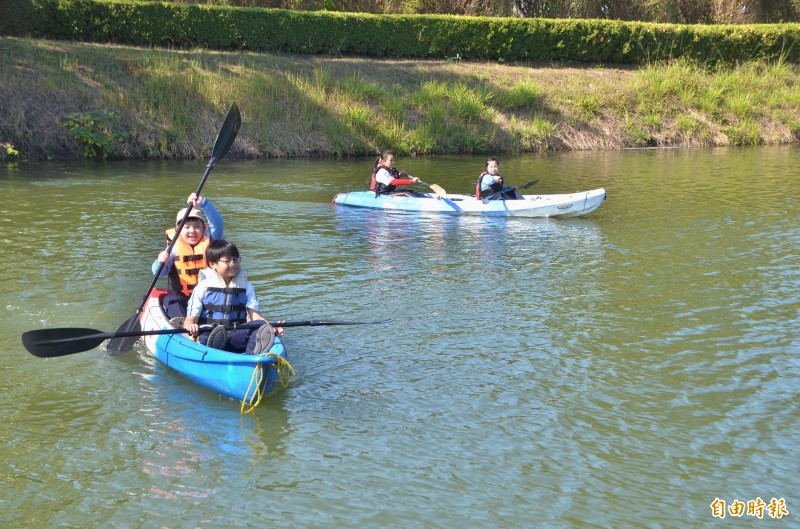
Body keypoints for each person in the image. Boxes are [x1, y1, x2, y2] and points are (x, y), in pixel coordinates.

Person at [184, 239, 284, 354]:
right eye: (227, 261)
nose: (233, 264)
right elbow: (190, 320)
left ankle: (253, 354)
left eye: (235, 260)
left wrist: (271, 327)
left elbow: (255, 317)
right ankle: (212, 349)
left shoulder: (246, 286)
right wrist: (191, 327)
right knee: (209, 336)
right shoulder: (202, 287)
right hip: (210, 333)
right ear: (212, 264)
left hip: (236, 334)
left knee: (260, 325)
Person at [152, 193, 223, 319]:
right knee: (171, 300)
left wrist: (204, 203)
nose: (192, 231)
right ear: (178, 229)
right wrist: (159, 262)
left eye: (197, 227)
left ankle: (213, 326)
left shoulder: (210, 240)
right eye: (186, 227)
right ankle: (180, 324)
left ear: (203, 228)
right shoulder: (173, 248)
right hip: (181, 295)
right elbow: (160, 272)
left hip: (206, 295)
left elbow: (218, 223)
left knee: (219, 299)